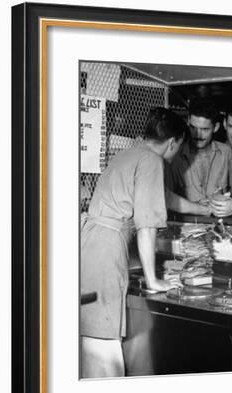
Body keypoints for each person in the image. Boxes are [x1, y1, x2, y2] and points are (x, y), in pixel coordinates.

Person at [80, 107, 185, 378]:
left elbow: (162, 198)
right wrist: (153, 280)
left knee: (92, 335)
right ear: (173, 142)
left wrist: (202, 206)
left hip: (90, 243)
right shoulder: (152, 160)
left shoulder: (129, 153)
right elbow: (147, 226)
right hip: (106, 250)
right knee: (103, 347)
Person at [168, 98, 232, 204]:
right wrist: (196, 207)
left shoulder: (226, 153)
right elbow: (167, 197)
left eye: (205, 129)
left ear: (216, 127)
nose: (198, 135)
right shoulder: (175, 155)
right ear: (188, 121)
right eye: (193, 128)